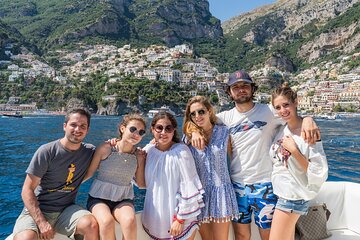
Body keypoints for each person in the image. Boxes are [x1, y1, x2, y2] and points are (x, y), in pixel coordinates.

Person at [189, 70, 321, 240]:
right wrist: (193, 132)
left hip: (265, 185)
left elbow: (291, 116)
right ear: (229, 92)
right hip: (237, 187)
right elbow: (200, 122)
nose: (241, 89)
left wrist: (309, 119)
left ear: (252, 89)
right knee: (241, 236)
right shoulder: (224, 118)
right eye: (235, 87)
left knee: (267, 236)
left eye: (245, 85)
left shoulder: (269, 111)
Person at [12, 108, 99, 240]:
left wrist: (115, 143)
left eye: (83, 126)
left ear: (87, 130)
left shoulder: (90, 151)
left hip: (66, 210)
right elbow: (27, 190)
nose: (77, 129)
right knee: (26, 238)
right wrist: (41, 222)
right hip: (38, 210)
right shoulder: (47, 151)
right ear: (65, 126)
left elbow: (108, 151)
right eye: (73, 125)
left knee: (91, 225)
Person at [269, 83, 328, 240]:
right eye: (278, 107)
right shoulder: (281, 129)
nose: (283, 111)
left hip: (293, 198)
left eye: (286, 105)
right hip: (283, 194)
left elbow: (319, 172)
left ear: (295, 103)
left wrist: (294, 151)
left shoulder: (308, 132)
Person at [182, 96, 239, 240]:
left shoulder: (225, 132)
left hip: (222, 193)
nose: (197, 116)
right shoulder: (187, 138)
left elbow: (234, 158)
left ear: (209, 111)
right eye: (193, 114)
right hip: (200, 197)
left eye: (201, 112)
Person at [142, 112, 205, 240]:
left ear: (174, 130)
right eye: (159, 128)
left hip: (180, 220)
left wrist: (180, 219)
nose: (163, 132)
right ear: (152, 129)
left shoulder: (181, 151)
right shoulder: (149, 151)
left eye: (168, 128)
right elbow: (140, 180)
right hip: (156, 222)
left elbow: (188, 186)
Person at [84, 113, 147, 240]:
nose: (136, 134)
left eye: (141, 132)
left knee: (130, 221)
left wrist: (142, 160)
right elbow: (89, 174)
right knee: (107, 222)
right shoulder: (106, 148)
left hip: (123, 199)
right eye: (133, 129)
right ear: (122, 128)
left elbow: (140, 184)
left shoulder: (138, 156)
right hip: (98, 198)